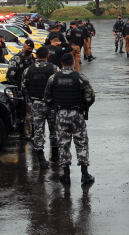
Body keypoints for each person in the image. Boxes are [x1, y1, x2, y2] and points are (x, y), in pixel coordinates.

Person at [44, 53, 95, 184]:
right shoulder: (79, 77)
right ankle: (85, 174)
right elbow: (90, 96)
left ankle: (66, 174)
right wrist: (83, 106)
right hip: (77, 113)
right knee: (81, 142)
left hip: (61, 114)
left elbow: (47, 98)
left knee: (63, 143)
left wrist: (58, 107)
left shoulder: (53, 78)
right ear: (72, 62)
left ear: (61, 63)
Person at [21, 46, 59, 169]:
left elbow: (23, 88)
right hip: (51, 104)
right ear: (48, 55)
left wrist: (31, 99)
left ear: (36, 56)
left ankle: (41, 158)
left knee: (38, 130)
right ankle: (55, 155)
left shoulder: (29, 70)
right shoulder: (54, 68)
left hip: (36, 103)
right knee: (54, 129)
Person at [6, 39, 36, 138]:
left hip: (30, 89)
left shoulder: (32, 58)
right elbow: (10, 76)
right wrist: (17, 88)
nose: (29, 51)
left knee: (32, 112)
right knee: (21, 112)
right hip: (19, 89)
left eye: (31, 49)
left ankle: (33, 133)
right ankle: (21, 133)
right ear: (23, 47)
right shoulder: (17, 59)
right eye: (28, 49)